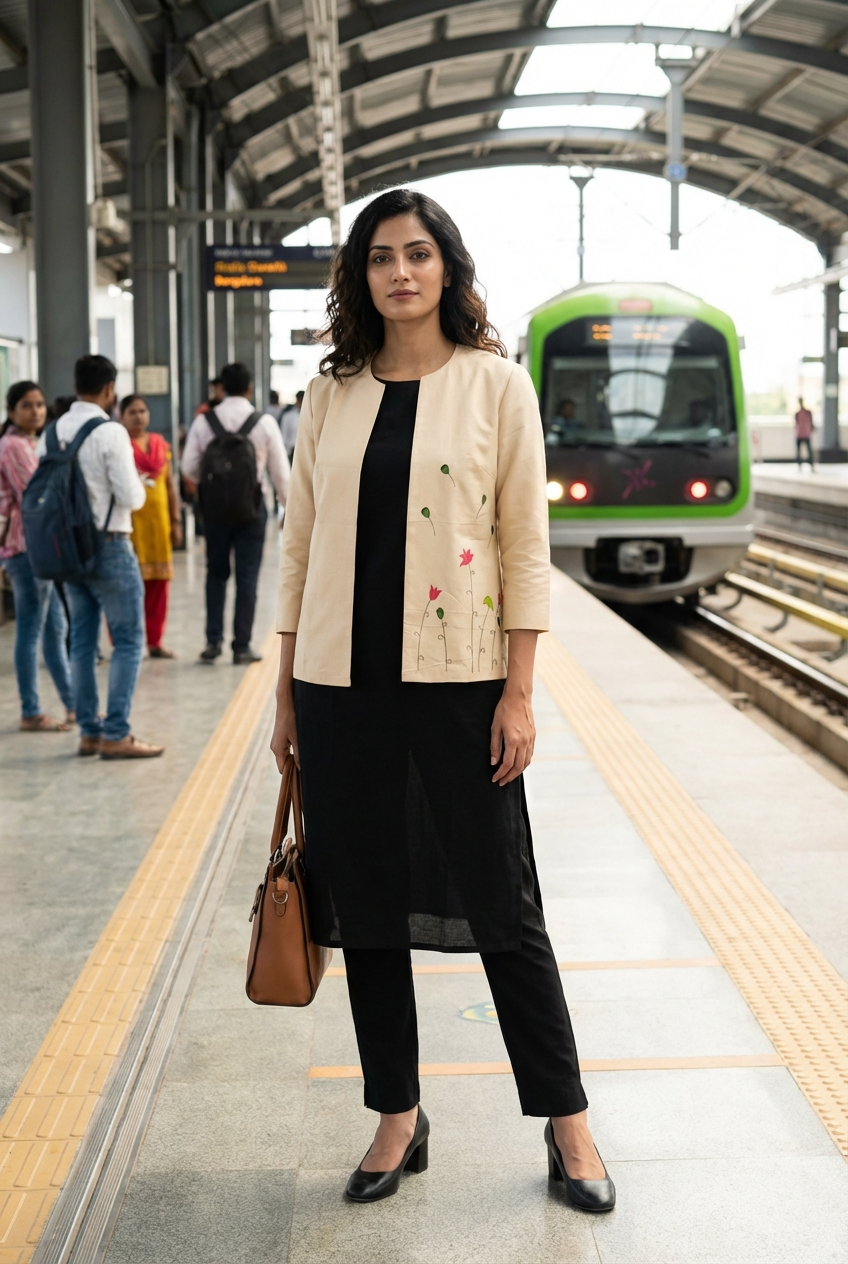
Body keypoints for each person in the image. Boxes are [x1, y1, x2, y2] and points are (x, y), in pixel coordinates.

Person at [270, 189, 614, 1212]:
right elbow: (296, 551)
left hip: (460, 683)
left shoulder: (495, 386)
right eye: (380, 258)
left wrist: (518, 690)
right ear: (360, 278)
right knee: (364, 907)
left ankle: (568, 1123)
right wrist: (285, 693)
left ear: (447, 268)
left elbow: (524, 546)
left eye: (417, 254)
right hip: (340, 689)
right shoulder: (328, 393)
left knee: (504, 905)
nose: (399, 273)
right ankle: (395, 1114)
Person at [40, 354, 163, 759]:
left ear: (77, 385)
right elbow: (130, 496)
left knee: (82, 641)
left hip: (68, 550)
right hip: (109, 546)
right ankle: (117, 733)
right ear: (110, 389)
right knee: (128, 640)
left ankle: (89, 732)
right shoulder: (110, 432)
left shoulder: (52, 430)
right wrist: (143, 487)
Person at [182, 361, 290, 664]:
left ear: (221, 388)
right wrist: (287, 508)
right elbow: (281, 473)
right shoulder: (264, 423)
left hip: (214, 512)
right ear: (249, 388)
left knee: (215, 575)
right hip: (251, 512)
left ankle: (212, 642)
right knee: (247, 577)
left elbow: (189, 466)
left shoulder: (205, 422)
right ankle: (241, 646)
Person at [0, 381, 75, 731]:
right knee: (31, 630)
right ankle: (31, 710)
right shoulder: (13, 446)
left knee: (55, 627)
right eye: (27, 405)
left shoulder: (29, 442)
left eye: (40, 405)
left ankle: (75, 706)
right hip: (24, 549)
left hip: (33, 549)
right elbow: (35, 494)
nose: (36, 411)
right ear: (12, 410)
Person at [119, 394, 183, 658]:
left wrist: (176, 520)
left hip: (159, 526)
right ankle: (127, 641)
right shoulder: (120, 445)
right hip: (131, 527)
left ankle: (155, 641)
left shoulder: (159, 444)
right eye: (132, 412)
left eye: (143, 411)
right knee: (129, 587)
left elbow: (170, 486)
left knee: (159, 586)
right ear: (122, 416)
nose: (139, 416)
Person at [280, 390, 304, 464]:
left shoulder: (312, 416)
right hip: (292, 452)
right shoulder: (288, 416)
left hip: (306, 451)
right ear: (297, 399)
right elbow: (283, 436)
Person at [794, 397, 815, 469]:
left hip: (804, 434)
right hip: (802, 434)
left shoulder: (806, 412)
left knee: (807, 451)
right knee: (803, 451)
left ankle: (810, 464)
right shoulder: (798, 413)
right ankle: (800, 464)